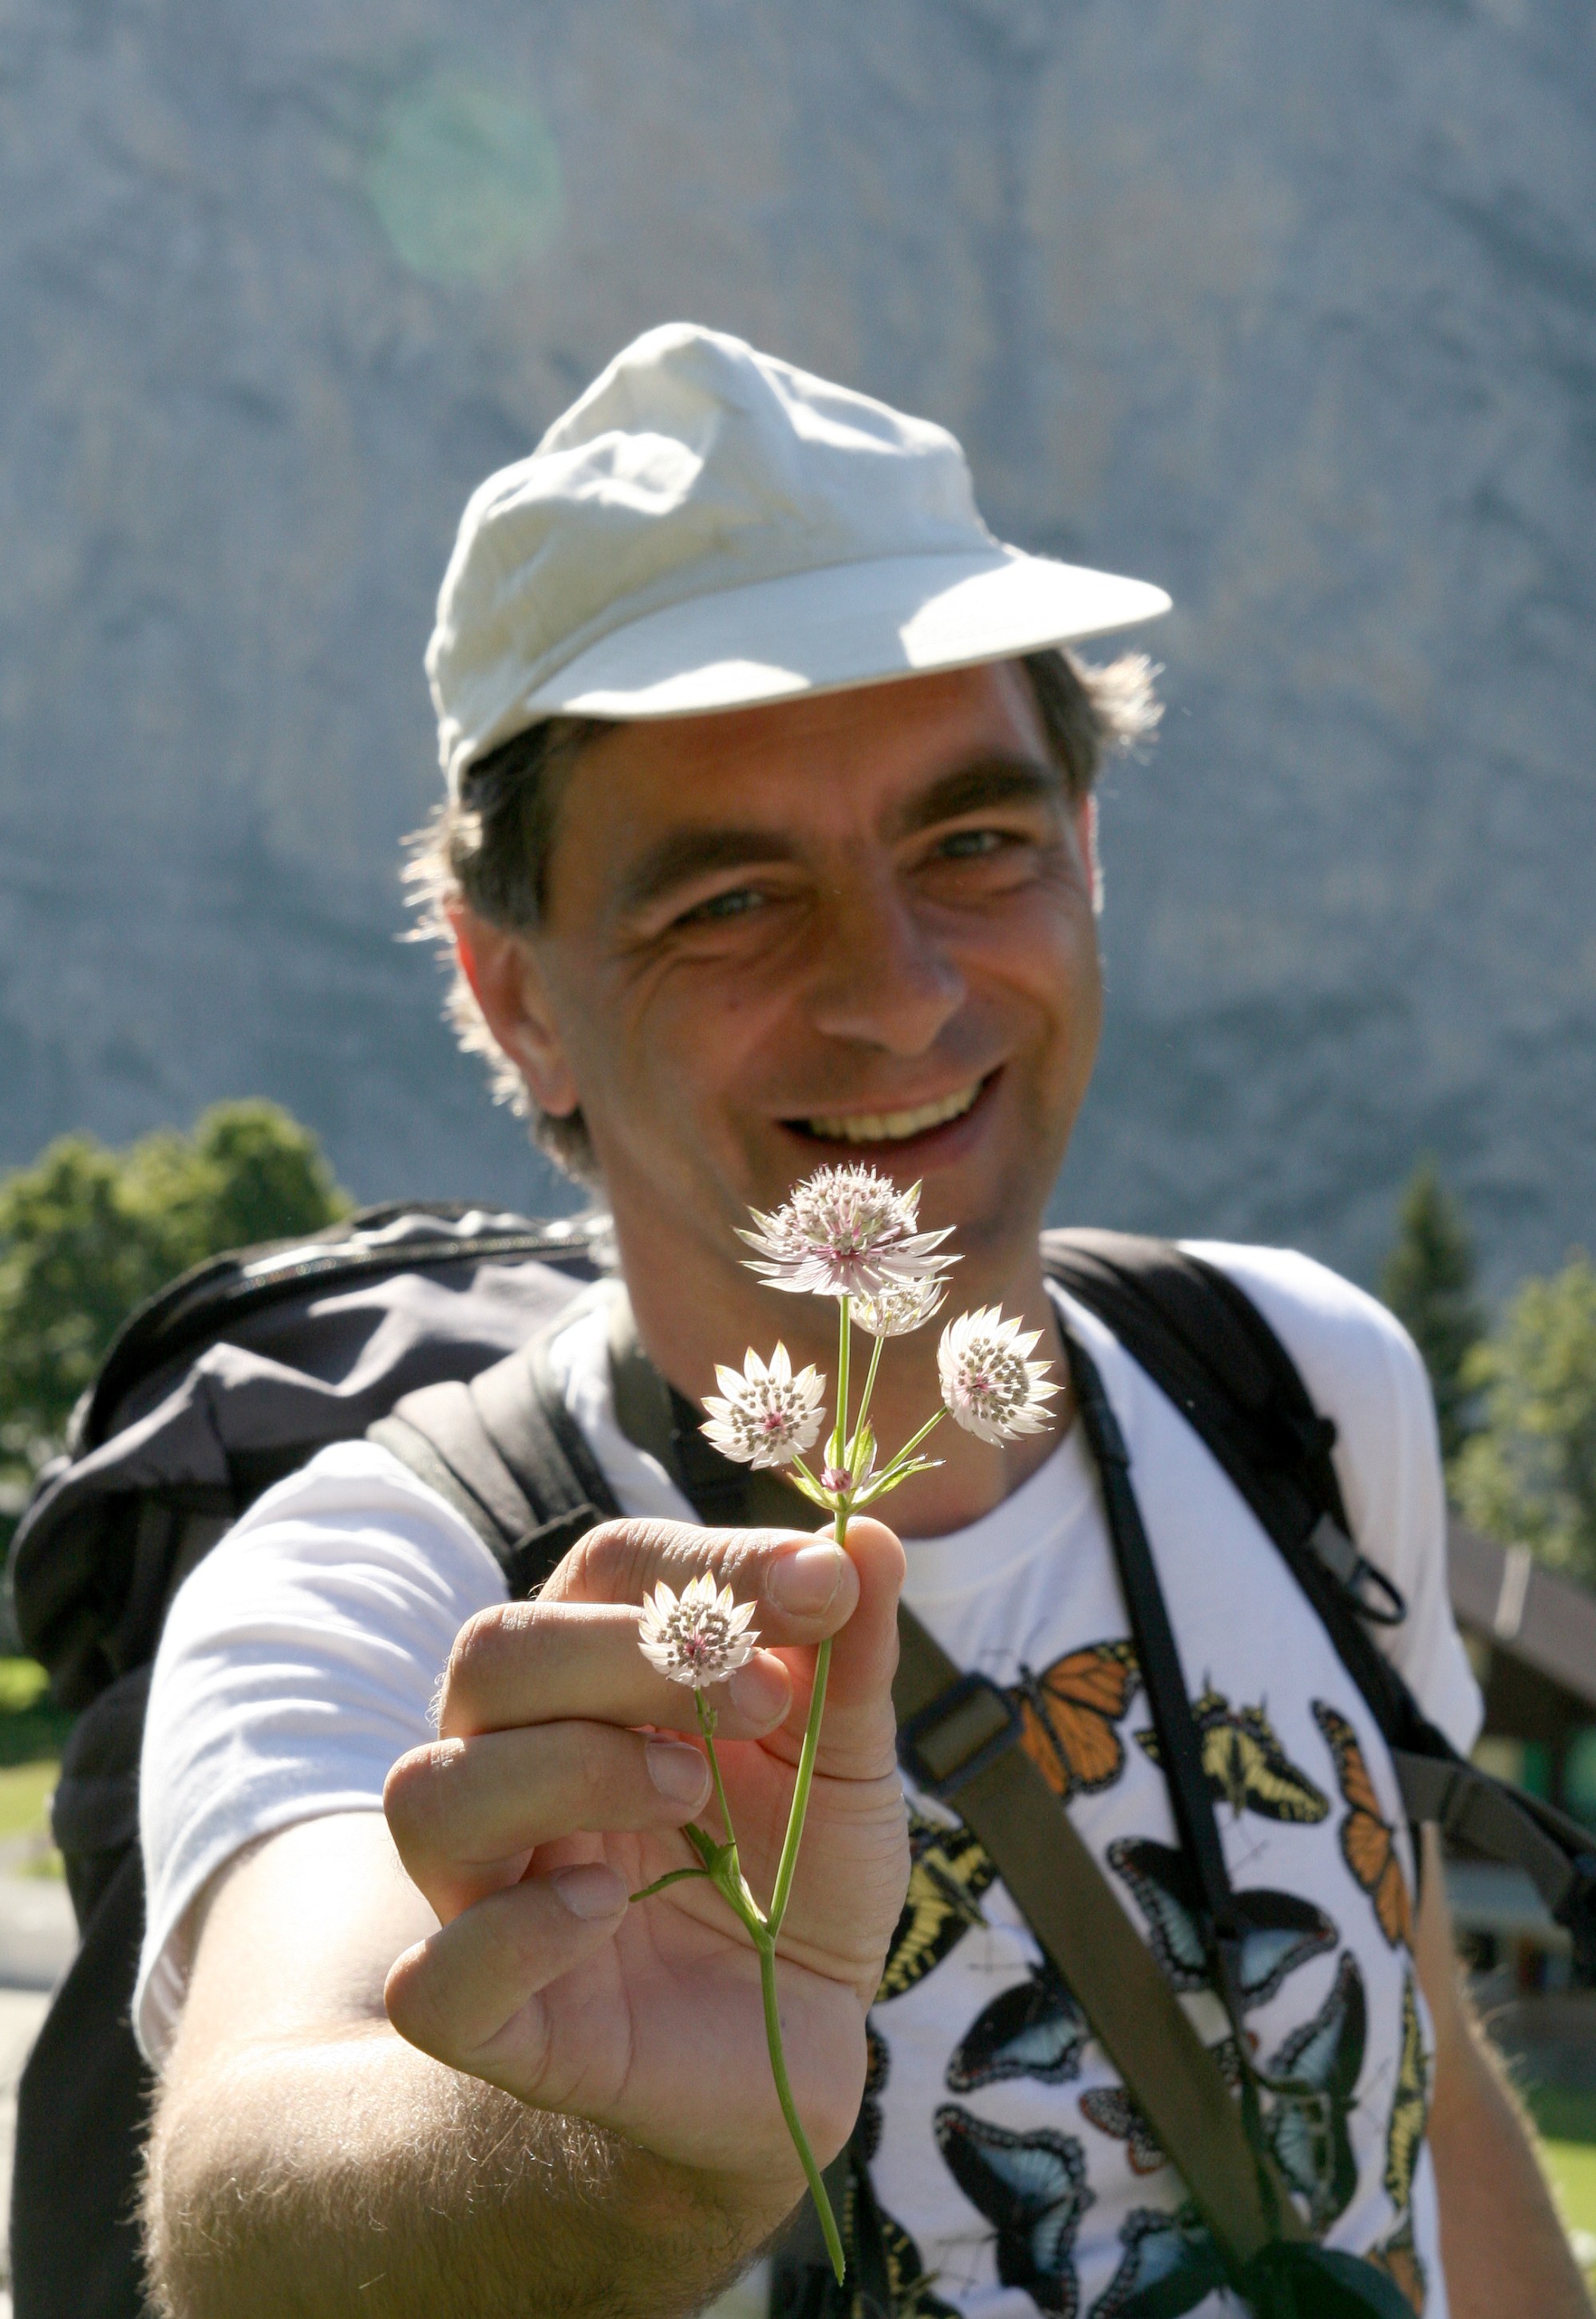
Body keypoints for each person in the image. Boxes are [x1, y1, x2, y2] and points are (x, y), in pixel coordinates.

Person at [135, 323, 1587, 2319]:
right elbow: (245, 2203)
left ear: (1087, 852)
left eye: (973, 842)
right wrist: (625, 2170)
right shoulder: (395, 1588)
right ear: (515, 994)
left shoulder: (1299, 1386)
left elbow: (1407, 2026)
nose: (899, 995)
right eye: (728, 901)